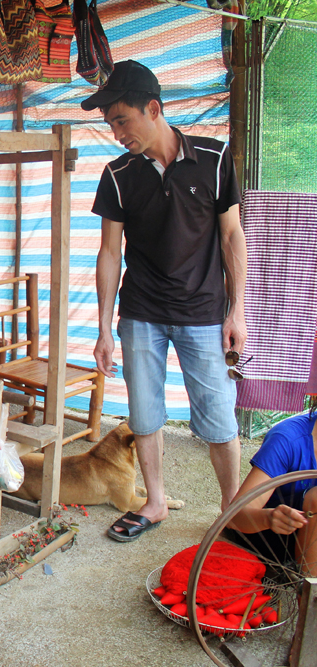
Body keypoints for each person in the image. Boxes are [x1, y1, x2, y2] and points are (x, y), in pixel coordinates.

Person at [86, 60, 248, 542]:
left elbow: (232, 235)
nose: (116, 133)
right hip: (140, 313)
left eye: (121, 120)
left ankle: (230, 507)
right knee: (145, 413)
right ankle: (154, 503)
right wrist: (101, 326)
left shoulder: (215, 161)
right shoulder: (118, 175)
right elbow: (110, 251)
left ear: (153, 109)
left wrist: (237, 309)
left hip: (202, 312)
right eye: (111, 123)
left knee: (217, 413)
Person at [226, 405, 316, 574]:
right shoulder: (287, 439)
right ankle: (309, 595)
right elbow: (234, 516)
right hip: (271, 536)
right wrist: (269, 518)